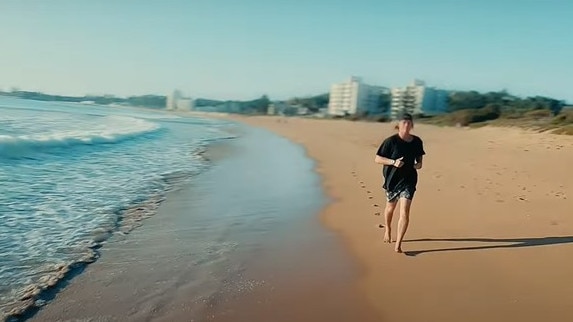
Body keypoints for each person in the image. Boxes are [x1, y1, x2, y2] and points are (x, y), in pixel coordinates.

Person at [374, 113, 425, 253]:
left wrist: (418, 165)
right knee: (390, 208)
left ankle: (399, 244)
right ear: (399, 125)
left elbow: (420, 161)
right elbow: (377, 159)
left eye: (409, 123)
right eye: (404, 123)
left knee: (404, 212)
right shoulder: (390, 141)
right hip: (392, 180)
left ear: (412, 125)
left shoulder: (417, 141)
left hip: (409, 180)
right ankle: (388, 229)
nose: (407, 125)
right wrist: (393, 162)